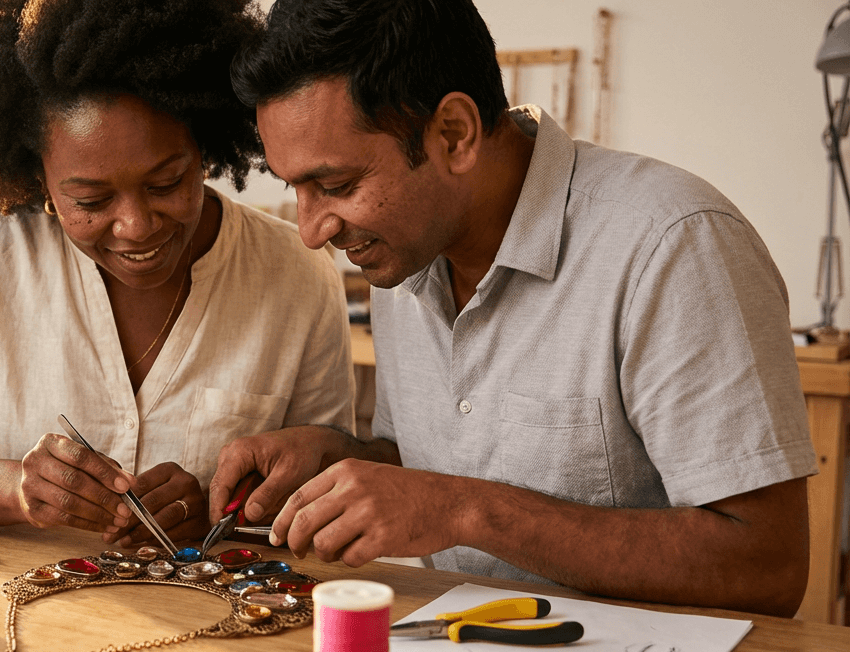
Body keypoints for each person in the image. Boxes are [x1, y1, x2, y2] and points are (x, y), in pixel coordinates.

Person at [211, 0, 815, 617]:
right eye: (296, 189)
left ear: (454, 134)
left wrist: (463, 509)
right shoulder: (406, 250)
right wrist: (342, 458)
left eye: (336, 186)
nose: (313, 230)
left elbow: (767, 566)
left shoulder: (672, 245)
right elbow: (446, 463)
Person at [0, 0, 355, 547]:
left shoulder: (297, 273)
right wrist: (18, 489)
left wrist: (225, 518)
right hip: (27, 612)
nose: (136, 226)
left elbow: (327, 483)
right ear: (38, 175)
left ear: (204, 145)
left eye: (167, 183)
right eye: (91, 199)